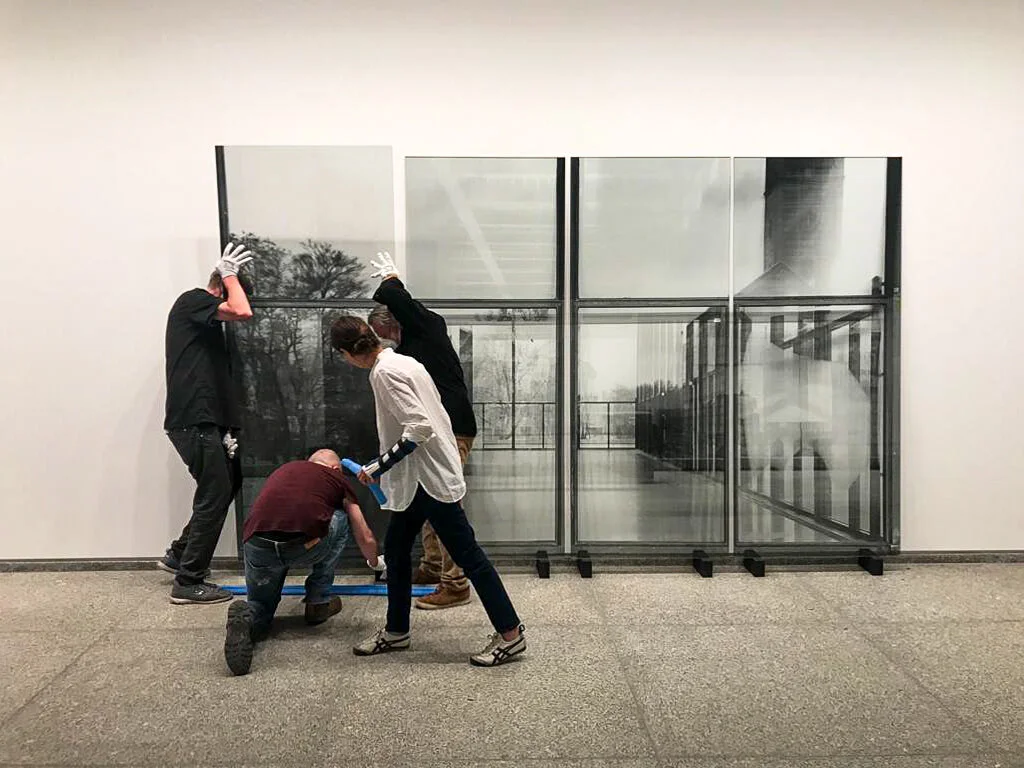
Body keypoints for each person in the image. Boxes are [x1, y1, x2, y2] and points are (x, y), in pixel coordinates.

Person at [330, 314, 526, 667]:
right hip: (419, 479)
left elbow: (419, 427)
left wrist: (378, 466)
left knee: (469, 557)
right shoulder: (405, 362)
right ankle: (396, 630)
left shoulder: (385, 373)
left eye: (343, 356)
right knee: (398, 551)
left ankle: (510, 635)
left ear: (347, 353)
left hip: (428, 480)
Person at [367, 251, 476, 611]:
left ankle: (456, 583)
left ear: (394, 321)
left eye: (382, 334)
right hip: (441, 430)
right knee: (430, 501)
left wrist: (391, 280)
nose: (384, 343)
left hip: (452, 430)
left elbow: (404, 303)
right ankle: (432, 567)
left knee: (445, 503)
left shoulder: (428, 327)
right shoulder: (411, 347)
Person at [224, 449, 383, 676]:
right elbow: (365, 536)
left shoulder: (284, 470)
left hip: (257, 543)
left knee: (262, 604)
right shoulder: (336, 478)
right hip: (304, 545)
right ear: (336, 468)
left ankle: (248, 617)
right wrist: (376, 563)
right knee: (340, 517)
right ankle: (318, 601)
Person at [160, 242, 255, 605]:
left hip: (207, 422)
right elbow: (241, 310)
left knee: (229, 484)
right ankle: (188, 581)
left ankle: (180, 554)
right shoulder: (193, 300)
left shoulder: (208, 324)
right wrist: (229, 272)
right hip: (193, 420)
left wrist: (227, 428)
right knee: (215, 493)